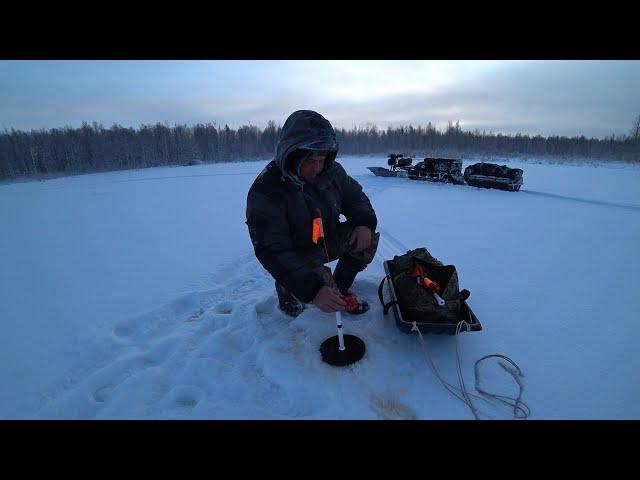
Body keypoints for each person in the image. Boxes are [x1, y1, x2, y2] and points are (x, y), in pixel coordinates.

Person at [246, 110, 379, 317]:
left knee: (366, 240)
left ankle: (338, 291)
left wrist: (363, 224)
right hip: (295, 254)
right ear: (292, 155)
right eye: (310, 160)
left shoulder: (331, 172)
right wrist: (313, 290)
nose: (317, 167)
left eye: (322, 158)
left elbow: (355, 197)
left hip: (325, 241)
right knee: (311, 286)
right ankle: (289, 295)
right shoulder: (267, 191)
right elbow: (272, 251)